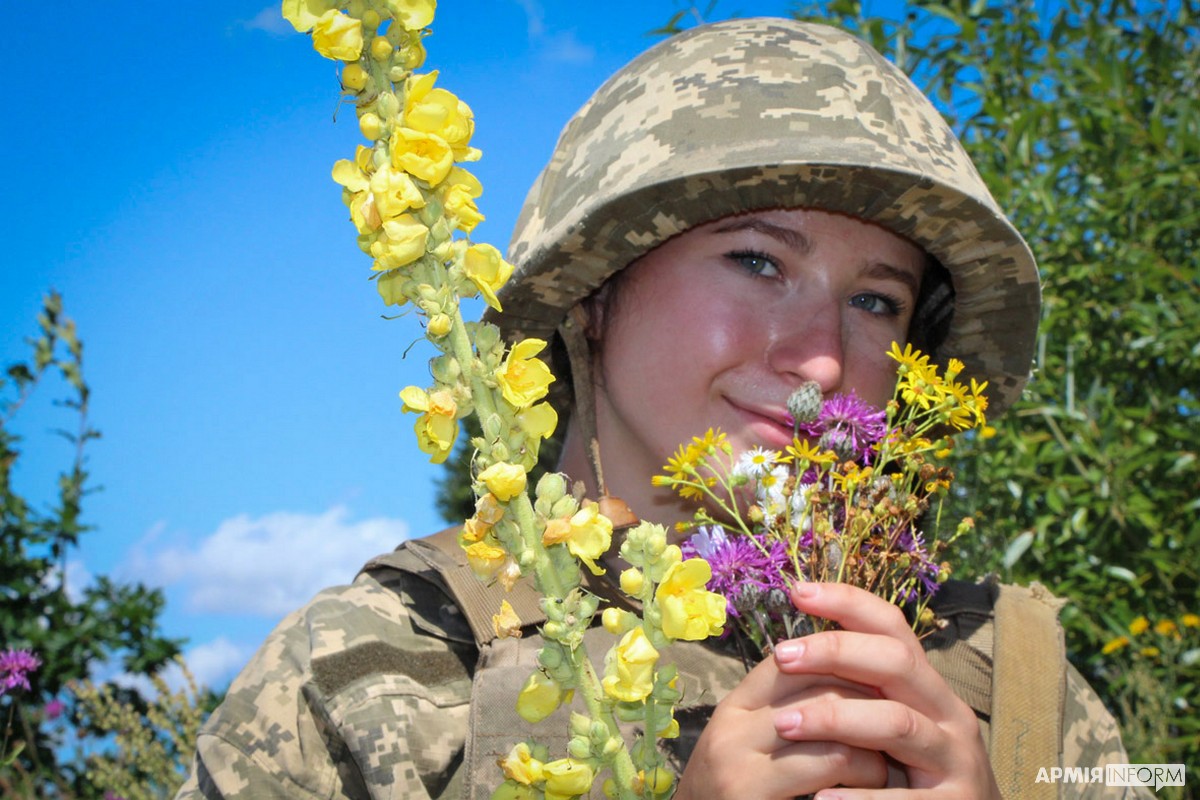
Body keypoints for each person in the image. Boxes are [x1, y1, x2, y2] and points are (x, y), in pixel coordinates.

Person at [177, 17, 1144, 800]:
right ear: (593, 296)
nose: (821, 356)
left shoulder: (1016, 686)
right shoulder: (374, 671)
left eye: (876, 301)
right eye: (758, 262)